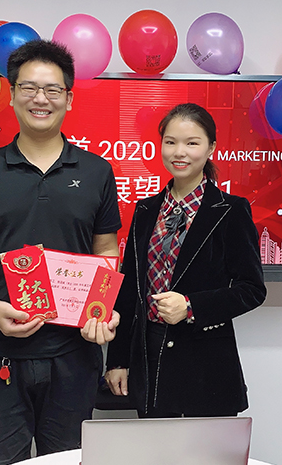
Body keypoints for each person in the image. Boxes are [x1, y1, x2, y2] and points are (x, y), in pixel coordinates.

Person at [0, 39, 122, 464]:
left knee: (70, 460)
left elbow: (106, 248)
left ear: (69, 99)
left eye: (53, 89)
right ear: (12, 94)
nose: (41, 98)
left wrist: (101, 308)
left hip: (74, 353)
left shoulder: (96, 171)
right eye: (29, 87)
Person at [105, 103, 266, 418]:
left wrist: (191, 306)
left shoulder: (231, 210)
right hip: (149, 358)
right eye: (171, 142)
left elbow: (252, 290)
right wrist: (117, 360)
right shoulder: (146, 210)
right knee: (156, 445)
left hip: (205, 363)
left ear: (211, 148)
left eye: (192, 143)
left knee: (205, 447)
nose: (179, 152)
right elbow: (128, 292)